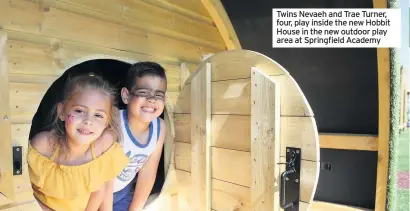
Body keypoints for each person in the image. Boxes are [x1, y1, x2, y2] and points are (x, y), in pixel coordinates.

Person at [27, 74, 130, 211]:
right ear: (62, 112)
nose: (88, 121)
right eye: (80, 111)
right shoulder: (43, 145)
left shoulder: (102, 147)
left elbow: (101, 191)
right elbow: (24, 191)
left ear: (106, 122)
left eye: (98, 115)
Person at [112, 62, 167, 211]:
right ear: (126, 96)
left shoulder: (159, 127)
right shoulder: (115, 121)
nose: (151, 100)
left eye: (159, 95)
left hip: (123, 193)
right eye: (143, 92)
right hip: (94, 192)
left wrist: (135, 209)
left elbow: (148, 173)